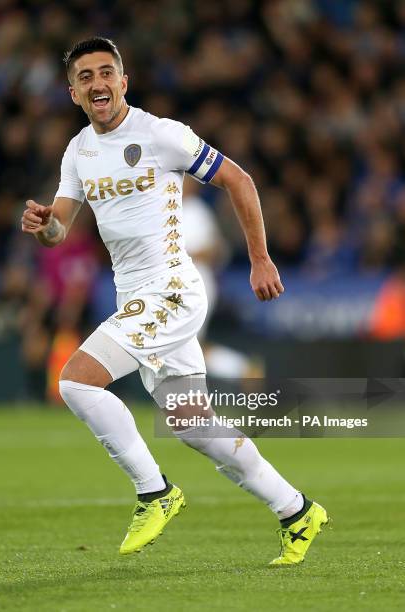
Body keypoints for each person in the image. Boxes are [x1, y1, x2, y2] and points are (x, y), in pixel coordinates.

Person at [21, 37, 328, 565]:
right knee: (193, 426)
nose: (97, 82)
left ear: (123, 81)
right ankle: (297, 510)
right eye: (85, 77)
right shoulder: (78, 151)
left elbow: (239, 179)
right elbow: (61, 227)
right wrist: (45, 225)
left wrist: (260, 258)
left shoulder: (161, 135)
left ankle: (154, 492)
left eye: (106, 72)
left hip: (172, 289)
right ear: (73, 92)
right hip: (135, 292)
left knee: (74, 379)